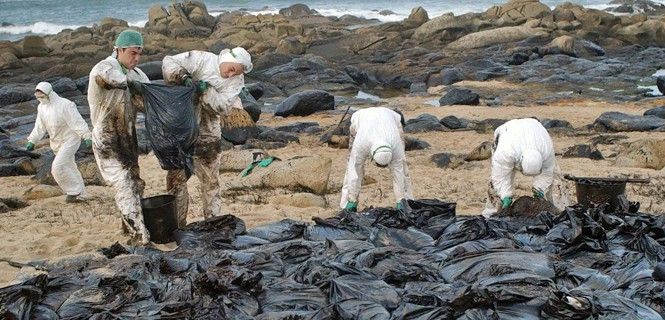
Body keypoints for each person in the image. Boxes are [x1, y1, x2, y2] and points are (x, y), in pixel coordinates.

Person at [162, 47, 253, 227]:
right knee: (176, 179)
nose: (230, 75)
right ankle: (177, 225)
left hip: (208, 131)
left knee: (210, 180)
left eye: (236, 72)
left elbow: (223, 106)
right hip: (181, 127)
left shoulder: (236, 81)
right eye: (232, 69)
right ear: (226, 58)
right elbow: (168, 62)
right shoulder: (201, 59)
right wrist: (183, 78)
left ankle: (212, 222)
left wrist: (206, 91)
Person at [87, 29, 150, 244]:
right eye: (132, 53)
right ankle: (138, 235)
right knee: (123, 183)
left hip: (127, 138)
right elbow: (109, 79)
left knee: (136, 183)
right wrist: (132, 84)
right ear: (119, 49)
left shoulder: (138, 75)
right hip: (106, 138)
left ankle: (128, 227)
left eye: (139, 54)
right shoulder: (105, 67)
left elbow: (148, 99)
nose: (136, 58)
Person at [26, 82, 92, 203]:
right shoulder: (41, 108)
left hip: (71, 140)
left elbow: (77, 122)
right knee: (70, 167)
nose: (40, 99)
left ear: (49, 93)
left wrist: (87, 136)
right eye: (38, 97)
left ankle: (73, 192)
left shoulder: (65, 105)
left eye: (42, 96)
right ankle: (82, 194)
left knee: (57, 167)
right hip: (56, 142)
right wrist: (32, 140)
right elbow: (39, 127)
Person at [340, 107, 413, 212]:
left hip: (392, 118)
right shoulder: (362, 144)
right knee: (352, 166)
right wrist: (353, 199)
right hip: (359, 118)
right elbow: (355, 170)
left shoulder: (396, 146)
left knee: (402, 165)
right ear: (372, 156)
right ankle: (347, 203)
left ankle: (406, 201)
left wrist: (399, 199)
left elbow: (399, 171)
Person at [483, 118, 556, 217]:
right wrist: (505, 197)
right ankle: (490, 214)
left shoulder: (546, 151)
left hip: (535, 129)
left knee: (553, 183)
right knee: (496, 189)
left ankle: (553, 212)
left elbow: (547, 172)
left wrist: (540, 190)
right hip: (507, 131)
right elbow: (500, 177)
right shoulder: (506, 152)